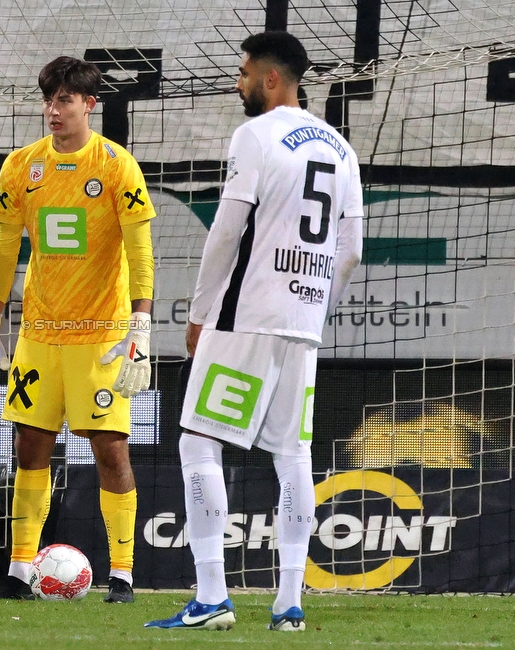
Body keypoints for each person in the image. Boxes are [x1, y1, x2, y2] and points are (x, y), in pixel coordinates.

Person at [145, 31, 363, 631]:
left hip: (246, 315)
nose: (238, 83)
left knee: (198, 440)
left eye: (244, 74)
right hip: (303, 322)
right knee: (294, 456)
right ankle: (289, 604)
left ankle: (212, 595)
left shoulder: (255, 135)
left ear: (272, 79)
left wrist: (197, 311)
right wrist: (316, 307)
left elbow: (226, 231)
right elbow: (351, 250)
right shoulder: (342, 149)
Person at [0, 56, 156, 604]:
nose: (53, 110)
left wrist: (140, 327)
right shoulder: (21, 166)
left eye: (65, 101)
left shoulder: (118, 166)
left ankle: (121, 575)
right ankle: (20, 572)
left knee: (110, 450)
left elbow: (141, 251)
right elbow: (5, 247)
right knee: (30, 445)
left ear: (88, 105)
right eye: (49, 100)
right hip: (40, 333)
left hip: (101, 333)